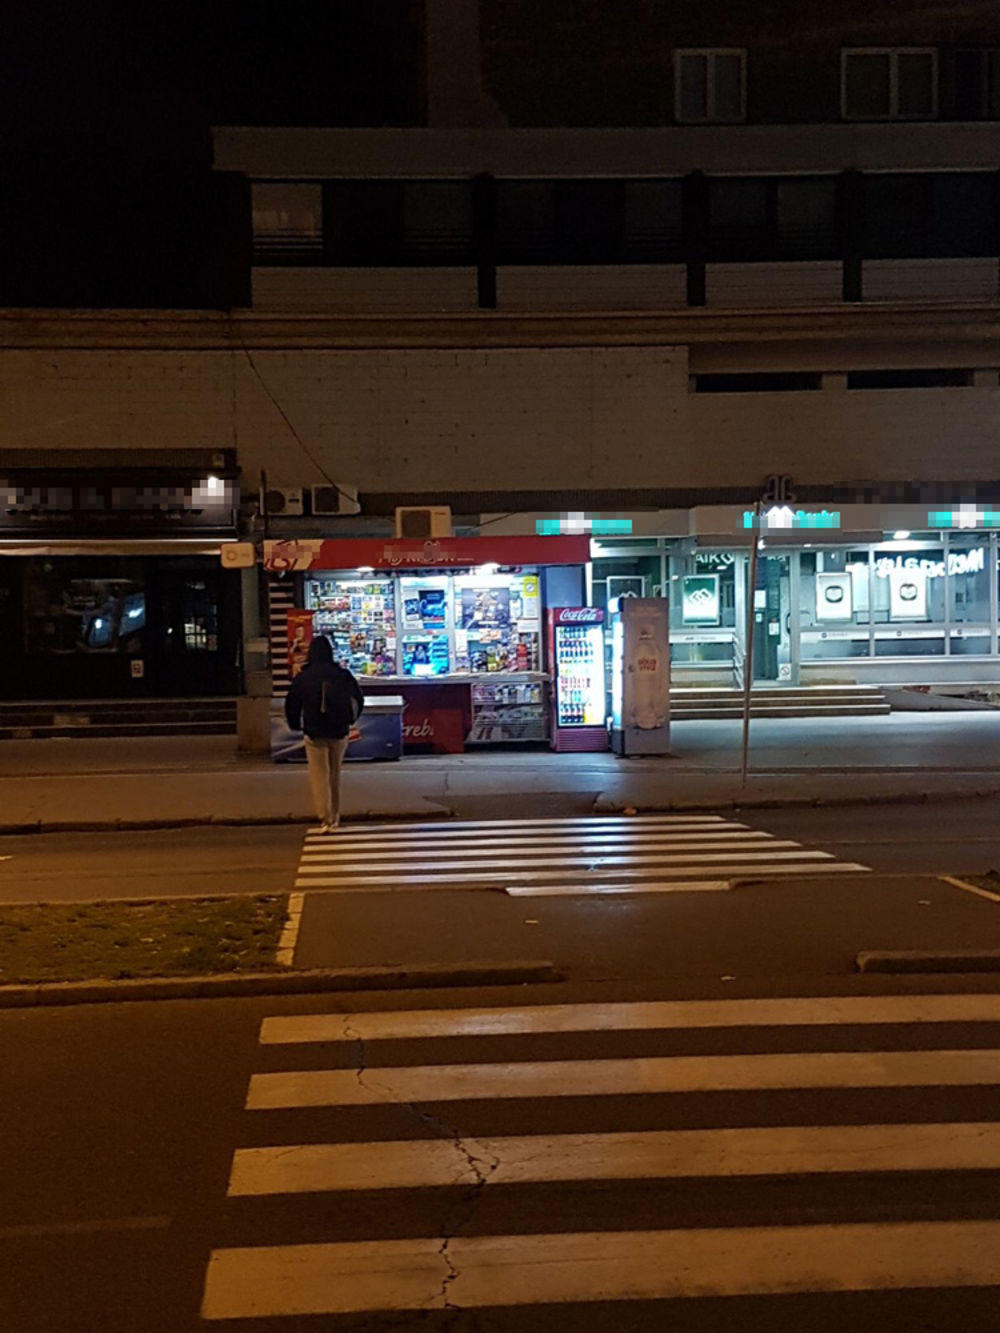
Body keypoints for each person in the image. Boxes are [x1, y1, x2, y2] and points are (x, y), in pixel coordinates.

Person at [284, 635, 364, 833]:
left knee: (319, 775)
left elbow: (292, 703)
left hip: (314, 731)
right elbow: (358, 699)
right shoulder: (342, 675)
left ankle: (325, 818)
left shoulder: (304, 677)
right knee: (335, 774)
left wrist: (295, 725)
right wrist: (351, 720)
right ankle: (336, 816)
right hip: (339, 731)